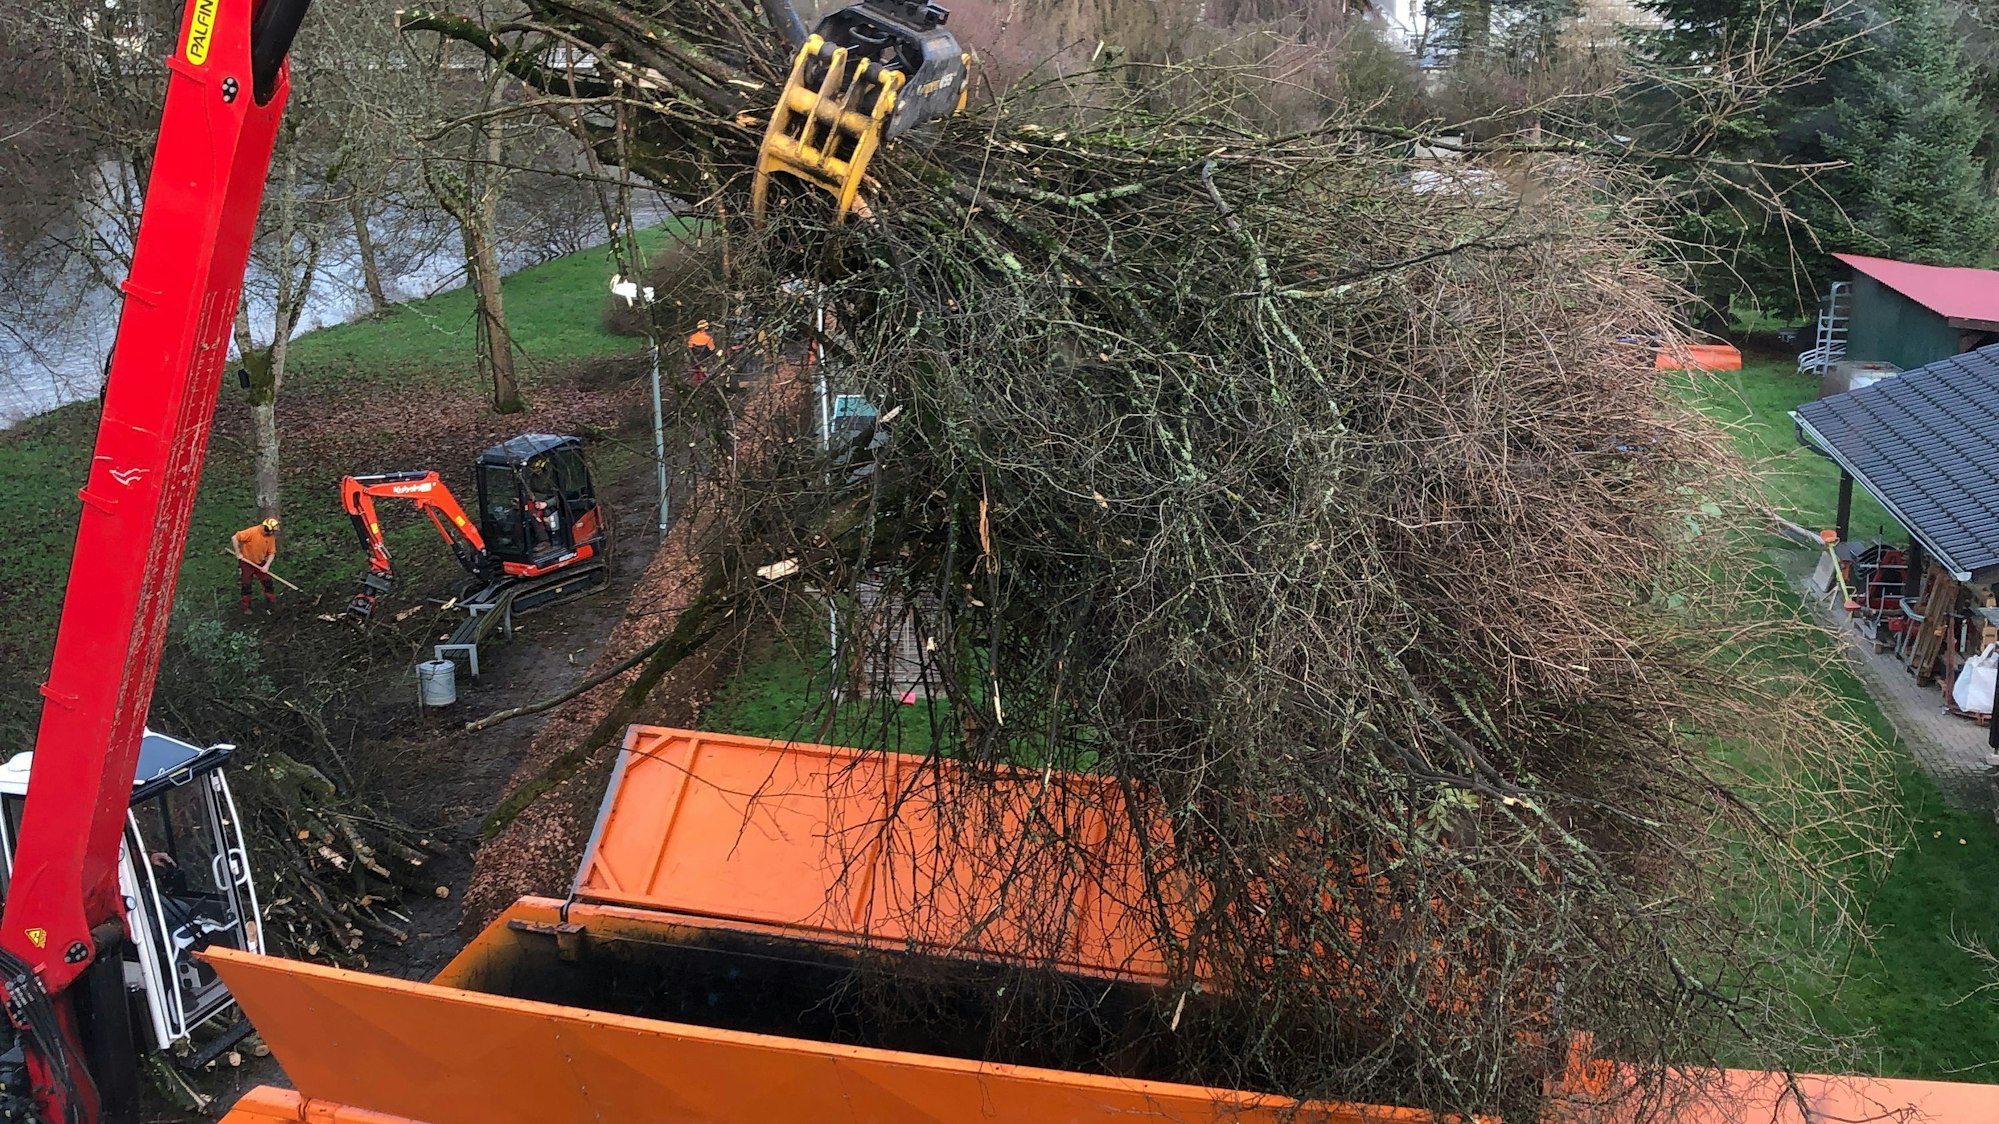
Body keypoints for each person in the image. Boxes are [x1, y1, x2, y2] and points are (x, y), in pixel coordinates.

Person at [231, 517, 280, 612]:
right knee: (246, 585)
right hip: (246, 562)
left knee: (268, 582)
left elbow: (271, 553)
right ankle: (246, 607)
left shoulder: (270, 537)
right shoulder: (252, 532)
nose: (273, 533)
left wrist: (266, 566)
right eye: (272, 531)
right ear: (267, 529)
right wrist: (238, 553)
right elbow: (234, 538)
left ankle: (272, 603)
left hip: (260, 562)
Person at [686, 319, 716, 387]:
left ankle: (695, 385)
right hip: (704, 360)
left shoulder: (692, 337)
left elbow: (689, 348)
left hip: (694, 360)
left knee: (696, 374)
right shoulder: (708, 338)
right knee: (703, 374)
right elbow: (712, 349)